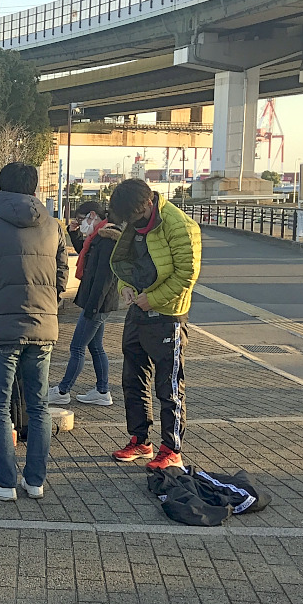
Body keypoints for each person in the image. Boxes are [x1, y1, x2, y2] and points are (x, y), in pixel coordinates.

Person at [0, 162, 68, 502]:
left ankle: (5, 482)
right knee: (39, 406)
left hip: (2, 327)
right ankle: (35, 481)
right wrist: (49, 307)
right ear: (34, 188)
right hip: (43, 326)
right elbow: (62, 275)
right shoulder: (54, 226)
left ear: (1, 186)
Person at [104, 178, 201, 471]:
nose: (133, 223)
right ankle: (140, 440)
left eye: (135, 217)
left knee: (168, 385)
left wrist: (154, 299)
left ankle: (171, 448)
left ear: (148, 203)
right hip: (138, 310)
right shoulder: (133, 221)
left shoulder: (180, 226)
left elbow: (187, 274)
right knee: (132, 379)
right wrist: (124, 288)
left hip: (168, 315)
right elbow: (126, 264)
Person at [47, 201, 118, 407]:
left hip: (97, 303)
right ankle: (102, 391)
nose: (81, 224)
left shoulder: (108, 238)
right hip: (98, 302)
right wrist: (74, 233)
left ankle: (63, 391)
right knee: (95, 346)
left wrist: (93, 307)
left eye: (81, 219)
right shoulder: (99, 235)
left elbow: (104, 277)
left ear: (92, 215)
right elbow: (86, 254)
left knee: (77, 346)